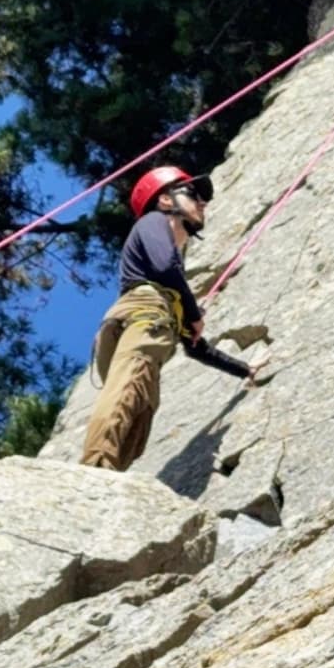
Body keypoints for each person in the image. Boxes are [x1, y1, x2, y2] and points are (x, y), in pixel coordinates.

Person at [81, 164, 259, 471]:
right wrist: (191, 311)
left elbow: (194, 345)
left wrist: (244, 369)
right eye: (193, 193)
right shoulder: (153, 221)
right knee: (129, 391)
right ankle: (95, 468)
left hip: (142, 322)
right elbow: (165, 266)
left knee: (138, 416)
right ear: (165, 200)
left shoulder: (166, 285)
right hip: (144, 318)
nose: (203, 203)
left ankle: (108, 473)